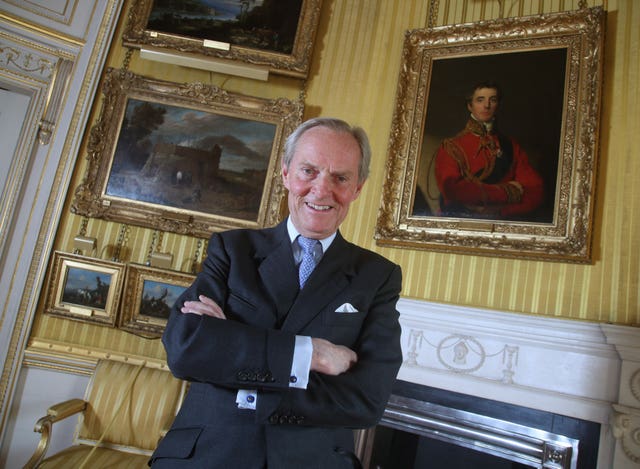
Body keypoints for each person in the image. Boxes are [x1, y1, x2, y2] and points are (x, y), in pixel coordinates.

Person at [149, 117, 403, 468]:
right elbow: (185, 347)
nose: (321, 190)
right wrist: (310, 354)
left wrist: (237, 364)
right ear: (285, 174)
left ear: (358, 187)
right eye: (309, 171)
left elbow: (367, 399)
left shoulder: (377, 277)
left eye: (340, 178)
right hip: (207, 455)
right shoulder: (231, 249)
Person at [434, 81, 544, 220]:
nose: (487, 106)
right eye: (480, 100)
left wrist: (500, 212)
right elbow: (452, 190)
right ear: (470, 106)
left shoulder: (511, 146)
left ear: (498, 105)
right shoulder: (452, 146)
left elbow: (535, 191)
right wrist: (507, 192)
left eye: (492, 100)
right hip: (461, 222)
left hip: (503, 222)